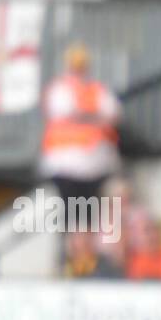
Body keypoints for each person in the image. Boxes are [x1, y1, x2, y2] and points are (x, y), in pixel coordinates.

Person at [39, 43, 121, 209]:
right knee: (72, 212)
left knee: (89, 213)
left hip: (95, 163)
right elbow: (65, 112)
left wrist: (83, 116)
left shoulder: (97, 89)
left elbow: (113, 114)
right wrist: (94, 117)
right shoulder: (60, 88)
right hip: (66, 163)